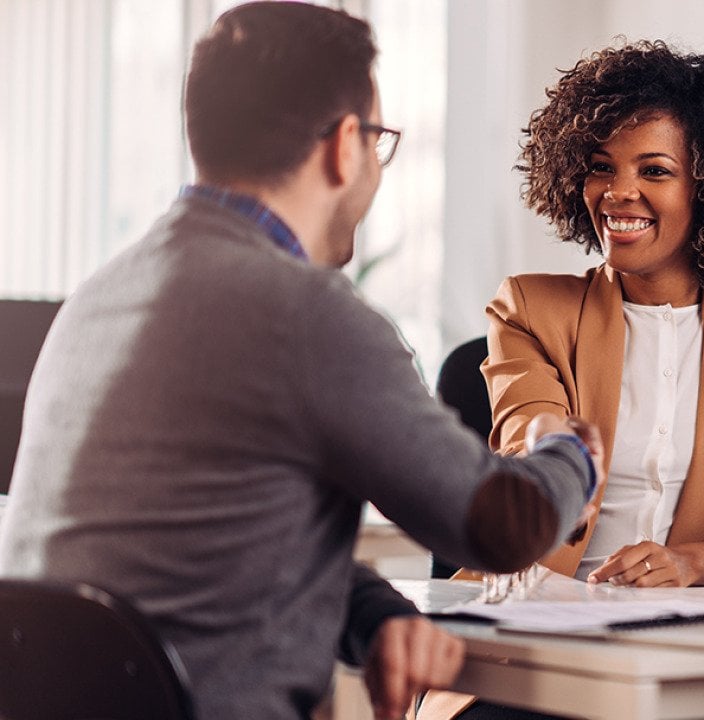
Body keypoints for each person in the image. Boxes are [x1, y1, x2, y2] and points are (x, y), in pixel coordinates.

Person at [0, 4, 602, 720]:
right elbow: (505, 524)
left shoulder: (104, 295)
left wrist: (375, 614)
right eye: (380, 142)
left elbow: (204, 564)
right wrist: (571, 453)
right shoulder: (305, 313)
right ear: (346, 146)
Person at [420, 39, 704, 720]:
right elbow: (529, 432)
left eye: (655, 170)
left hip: (699, 655)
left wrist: (690, 562)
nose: (618, 193)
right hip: (535, 646)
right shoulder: (529, 306)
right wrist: (560, 443)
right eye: (601, 167)